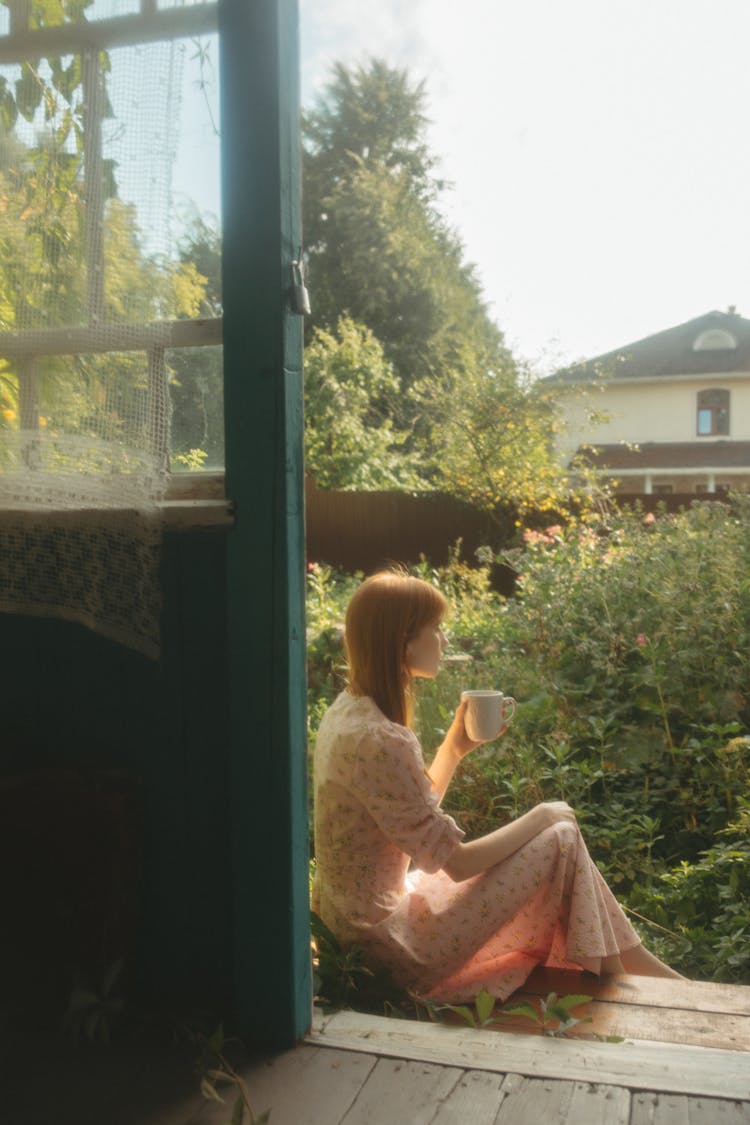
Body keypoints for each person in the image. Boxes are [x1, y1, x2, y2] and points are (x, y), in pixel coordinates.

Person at [311, 569, 682, 1003]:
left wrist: (453, 747)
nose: (443, 641)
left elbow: (413, 822)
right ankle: (635, 981)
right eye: (435, 629)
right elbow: (458, 864)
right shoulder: (381, 739)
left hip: (355, 935)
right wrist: (542, 813)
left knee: (561, 842)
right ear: (403, 641)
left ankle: (633, 974)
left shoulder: (348, 712)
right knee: (559, 836)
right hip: (389, 951)